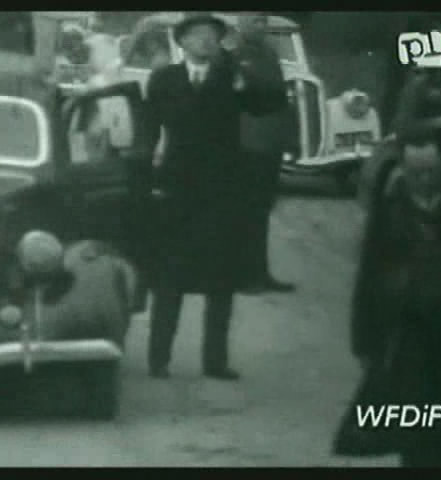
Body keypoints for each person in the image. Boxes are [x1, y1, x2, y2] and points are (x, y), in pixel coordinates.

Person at [333, 37, 441, 467]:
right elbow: (373, 264)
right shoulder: (418, 90)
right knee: (416, 420)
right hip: (410, 319)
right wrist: (365, 332)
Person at [144, 13, 287, 380]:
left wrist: (244, 78)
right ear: (182, 42)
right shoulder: (165, 79)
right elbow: (151, 128)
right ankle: (158, 358)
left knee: (220, 279)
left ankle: (215, 361)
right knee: (170, 277)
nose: (206, 40)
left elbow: (270, 103)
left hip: (222, 190)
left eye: (212, 35)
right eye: (197, 35)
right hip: (177, 188)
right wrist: (147, 179)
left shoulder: (231, 77)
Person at [233, 12, 297, 294]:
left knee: (262, 211)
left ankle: (260, 272)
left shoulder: (270, 55)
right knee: (245, 212)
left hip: (270, 144)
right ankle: (241, 276)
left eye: (263, 21)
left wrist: (289, 138)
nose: (261, 26)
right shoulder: (234, 57)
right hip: (246, 144)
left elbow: (281, 100)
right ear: (241, 25)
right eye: (255, 21)